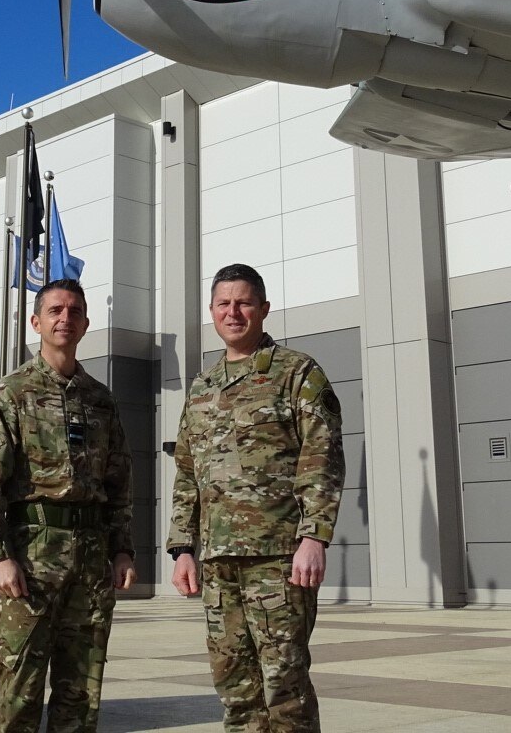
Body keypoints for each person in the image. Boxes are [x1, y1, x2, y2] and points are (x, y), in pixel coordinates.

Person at [167, 263, 345, 733]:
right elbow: (188, 472)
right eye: (224, 303)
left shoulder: (297, 373)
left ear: (264, 309)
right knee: (235, 690)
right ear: (211, 311)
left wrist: (314, 537)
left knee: (284, 687)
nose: (234, 312)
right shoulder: (202, 388)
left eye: (244, 302)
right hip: (218, 560)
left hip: (279, 559)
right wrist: (183, 548)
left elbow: (321, 458)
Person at [0, 278, 138, 733]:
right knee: (20, 687)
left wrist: (122, 549)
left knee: (80, 691)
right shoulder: (13, 392)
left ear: (86, 322)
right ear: (36, 322)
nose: (65, 319)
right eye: (55, 311)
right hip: (31, 556)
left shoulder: (100, 400)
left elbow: (118, 481)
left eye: (74, 311)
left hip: (90, 559)